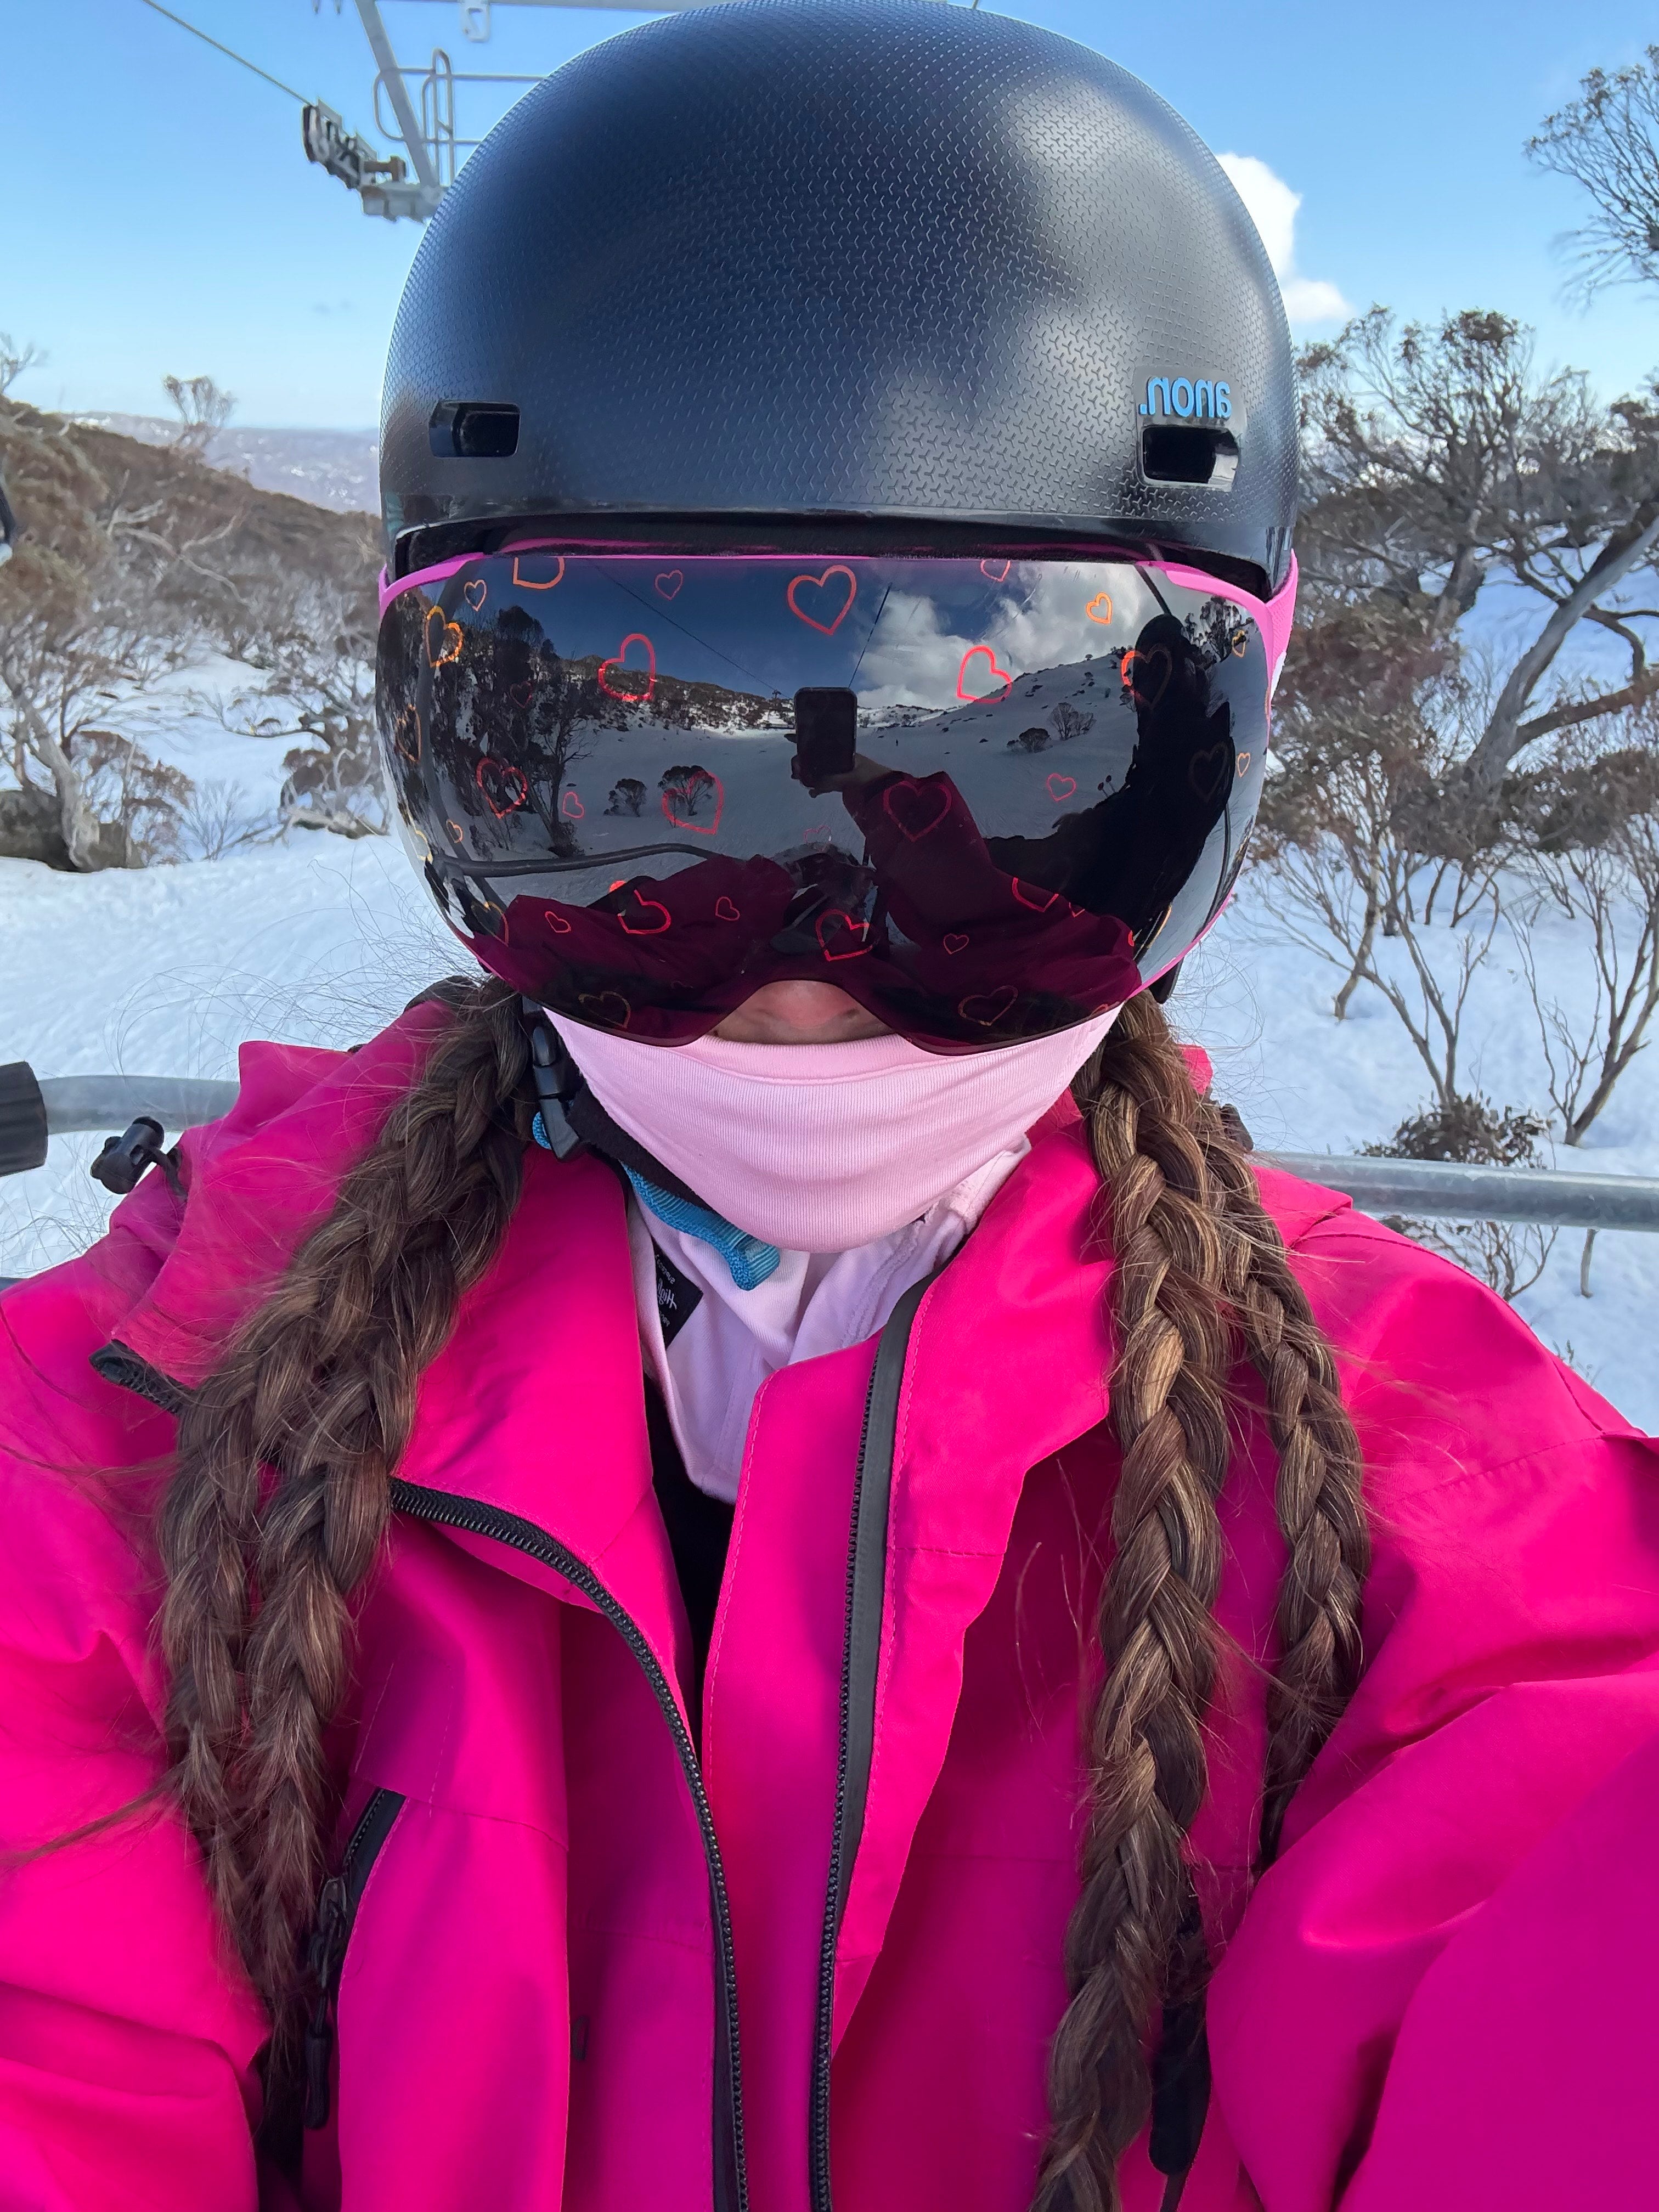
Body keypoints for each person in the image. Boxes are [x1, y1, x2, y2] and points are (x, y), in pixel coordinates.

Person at [3, 7, 1658, 2209]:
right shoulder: (118, 1467)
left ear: (1210, 788)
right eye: (603, 808)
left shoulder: (1448, 1538)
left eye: (1007, 797)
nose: (797, 996)